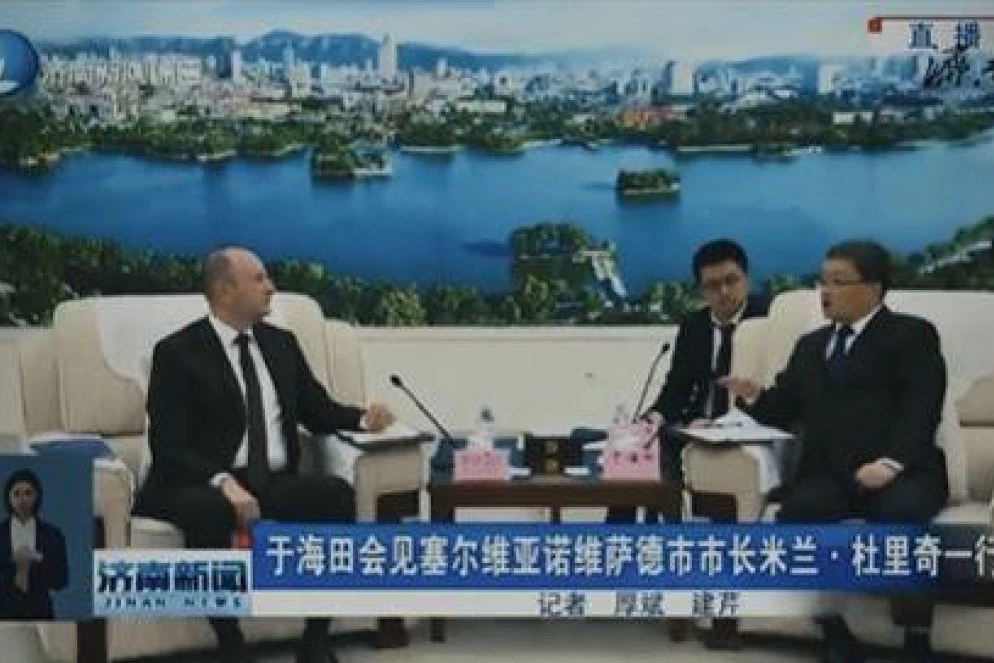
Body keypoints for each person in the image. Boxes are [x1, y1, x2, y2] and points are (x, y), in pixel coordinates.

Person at [134, 246, 397, 663]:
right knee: (208, 510)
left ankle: (315, 641)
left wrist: (364, 418)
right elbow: (169, 448)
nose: (271, 287)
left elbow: (317, 410)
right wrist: (224, 483)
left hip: (269, 481)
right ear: (224, 291)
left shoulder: (281, 344)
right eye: (259, 279)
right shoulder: (178, 353)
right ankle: (231, 644)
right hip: (199, 482)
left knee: (333, 495)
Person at [720, 240, 947, 663]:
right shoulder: (811, 345)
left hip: (902, 470)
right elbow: (782, 408)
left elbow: (922, 408)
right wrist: (752, 397)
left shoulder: (911, 335)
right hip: (832, 474)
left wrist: (890, 463)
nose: (826, 292)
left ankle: (916, 637)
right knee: (798, 514)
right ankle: (833, 630)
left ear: (874, 288)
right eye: (822, 281)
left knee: (901, 517)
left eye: (839, 282)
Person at [608, 239, 767, 520]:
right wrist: (653, 417)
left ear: (746, 279)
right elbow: (676, 389)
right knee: (638, 447)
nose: (724, 291)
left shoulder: (767, 320)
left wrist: (724, 422)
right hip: (696, 425)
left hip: (750, 425)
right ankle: (634, 534)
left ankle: (670, 525)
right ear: (701, 290)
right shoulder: (694, 327)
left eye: (731, 281)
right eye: (713, 285)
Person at [0, 468, 69, 620]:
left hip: (40, 611)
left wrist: (39, 558)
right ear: (8, 497)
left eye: (28, 493)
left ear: (37, 496)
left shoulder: (52, 534)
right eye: (16, 494)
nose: (22, 499)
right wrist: (13, 561)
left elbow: (61, 580)